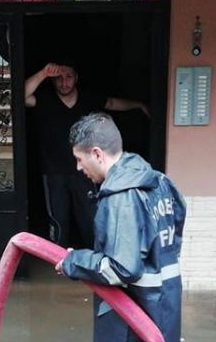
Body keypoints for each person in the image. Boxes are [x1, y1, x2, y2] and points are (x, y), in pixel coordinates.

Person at [55, 113, 186, 342]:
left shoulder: (121, 198)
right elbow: (173, 233)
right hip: (164, 305)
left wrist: (74, 261)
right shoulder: (158, 182)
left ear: (97, 153)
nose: (79, 168)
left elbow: (120, 269)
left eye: (80, 160)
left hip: (134, 315)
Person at [25, 59, 149, 248]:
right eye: (58, 78)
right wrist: (42, 73)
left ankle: (96, 256)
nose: (64, 82)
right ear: (52, 80)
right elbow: (20, 97)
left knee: (90, 215)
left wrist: (139, 105)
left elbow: (113, 103)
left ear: (76, 77)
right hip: (53, 171)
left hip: (86, 170)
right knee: (58, 219)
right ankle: (57, 261)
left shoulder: (88, 98)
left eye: (68, 77)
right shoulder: (44, 98)